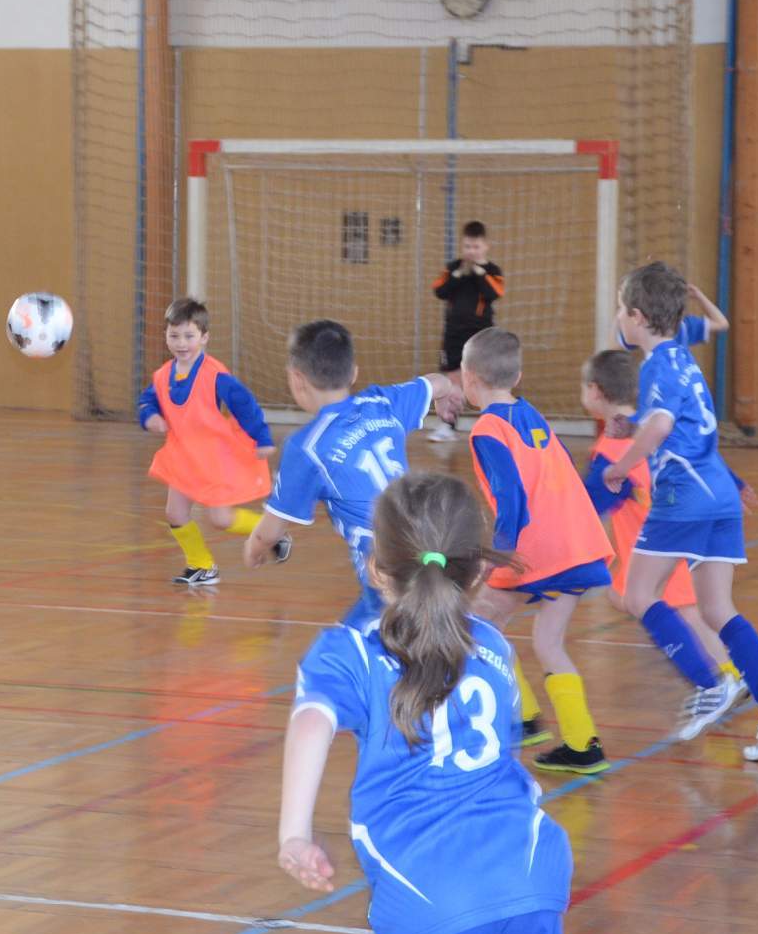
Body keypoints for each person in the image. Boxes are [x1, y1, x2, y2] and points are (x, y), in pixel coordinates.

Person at [278, 471, 570, 934]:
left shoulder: (350, 652)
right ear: (479, 574)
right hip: (531, 869)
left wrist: (293, 832)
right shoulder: (494, 647)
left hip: (430, 887)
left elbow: (312, 720)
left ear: (374, 567)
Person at [600, 262, 758, 760]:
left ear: (637, 317)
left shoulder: (656, 365)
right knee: (717, 609)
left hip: (684, 496)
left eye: (621, 309)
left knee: (637, 595)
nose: (618, 318)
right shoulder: (682, 356)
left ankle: (710, 684)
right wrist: (633, 424)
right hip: (719, 493)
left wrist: (620, 467)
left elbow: (661, 427)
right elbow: (674, 423)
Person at [460, 328, 612, 775]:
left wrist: (497, 555)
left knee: (477, 623)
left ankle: (521, 718)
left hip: (536, 548)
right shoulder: (530, 414)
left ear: (469, 379)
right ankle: (582, 744)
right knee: (548, 642)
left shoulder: (488, 429)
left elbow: (511, 499)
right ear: (518, 377)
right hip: (577, 544)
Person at [241, 320, 460, 629]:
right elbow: (435, 382)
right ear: (353, 372)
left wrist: (253, 549)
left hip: (386, 570)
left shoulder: (307, 447)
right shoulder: (381, 402)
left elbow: (270, 532)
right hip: (432, 541)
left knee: (366, 645)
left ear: (297, 378)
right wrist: (449, 392)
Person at [579, 348, 744, 688]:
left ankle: (726, 678)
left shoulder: (611, 452)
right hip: (683, 532)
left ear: (595, 391)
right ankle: (721, 672)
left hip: (664, 544)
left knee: (685, 613)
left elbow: (589, 506)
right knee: (629, 597)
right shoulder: (654, 427)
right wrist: (734, 482)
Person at [139, 298, 288, 588]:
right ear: (165, 336)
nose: (181, 343)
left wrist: (262, 437)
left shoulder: (216, 375)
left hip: (213, 460)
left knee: (220, 518)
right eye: (174, 335)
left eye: (189, 336)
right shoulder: (162, 376)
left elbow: (245, 405)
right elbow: (147, 401)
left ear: (204, 337)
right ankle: (202, 565)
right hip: (183, 457)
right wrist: (150, 416)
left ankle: (273, 533)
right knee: (175, 513)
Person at [426, 220, 504, 442]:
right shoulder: (453, 268)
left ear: (486, 246)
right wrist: (459, 274)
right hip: (454, 334)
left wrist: (478, 272)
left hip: (480, 335)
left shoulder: (492, 271)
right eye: (467, 246)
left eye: (476, 247)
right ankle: (447, 426)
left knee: (486, 380)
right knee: (453, 380)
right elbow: (439, 290)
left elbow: (494, 293)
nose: (471, 251)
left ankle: (494, 426)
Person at [613, 279, 727, 352]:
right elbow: (722, 323)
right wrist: (699, 296)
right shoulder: (686, 326)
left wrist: (623, 306)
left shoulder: (644, 326)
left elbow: (613, 347)